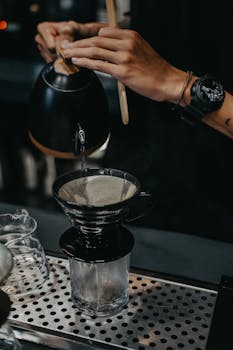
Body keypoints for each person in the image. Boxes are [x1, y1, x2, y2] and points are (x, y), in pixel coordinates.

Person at [35, 1, 233, 242]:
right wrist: (95, 36)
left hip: (216, 204)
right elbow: (182, 34)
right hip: (136, 179)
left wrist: (179, 85)